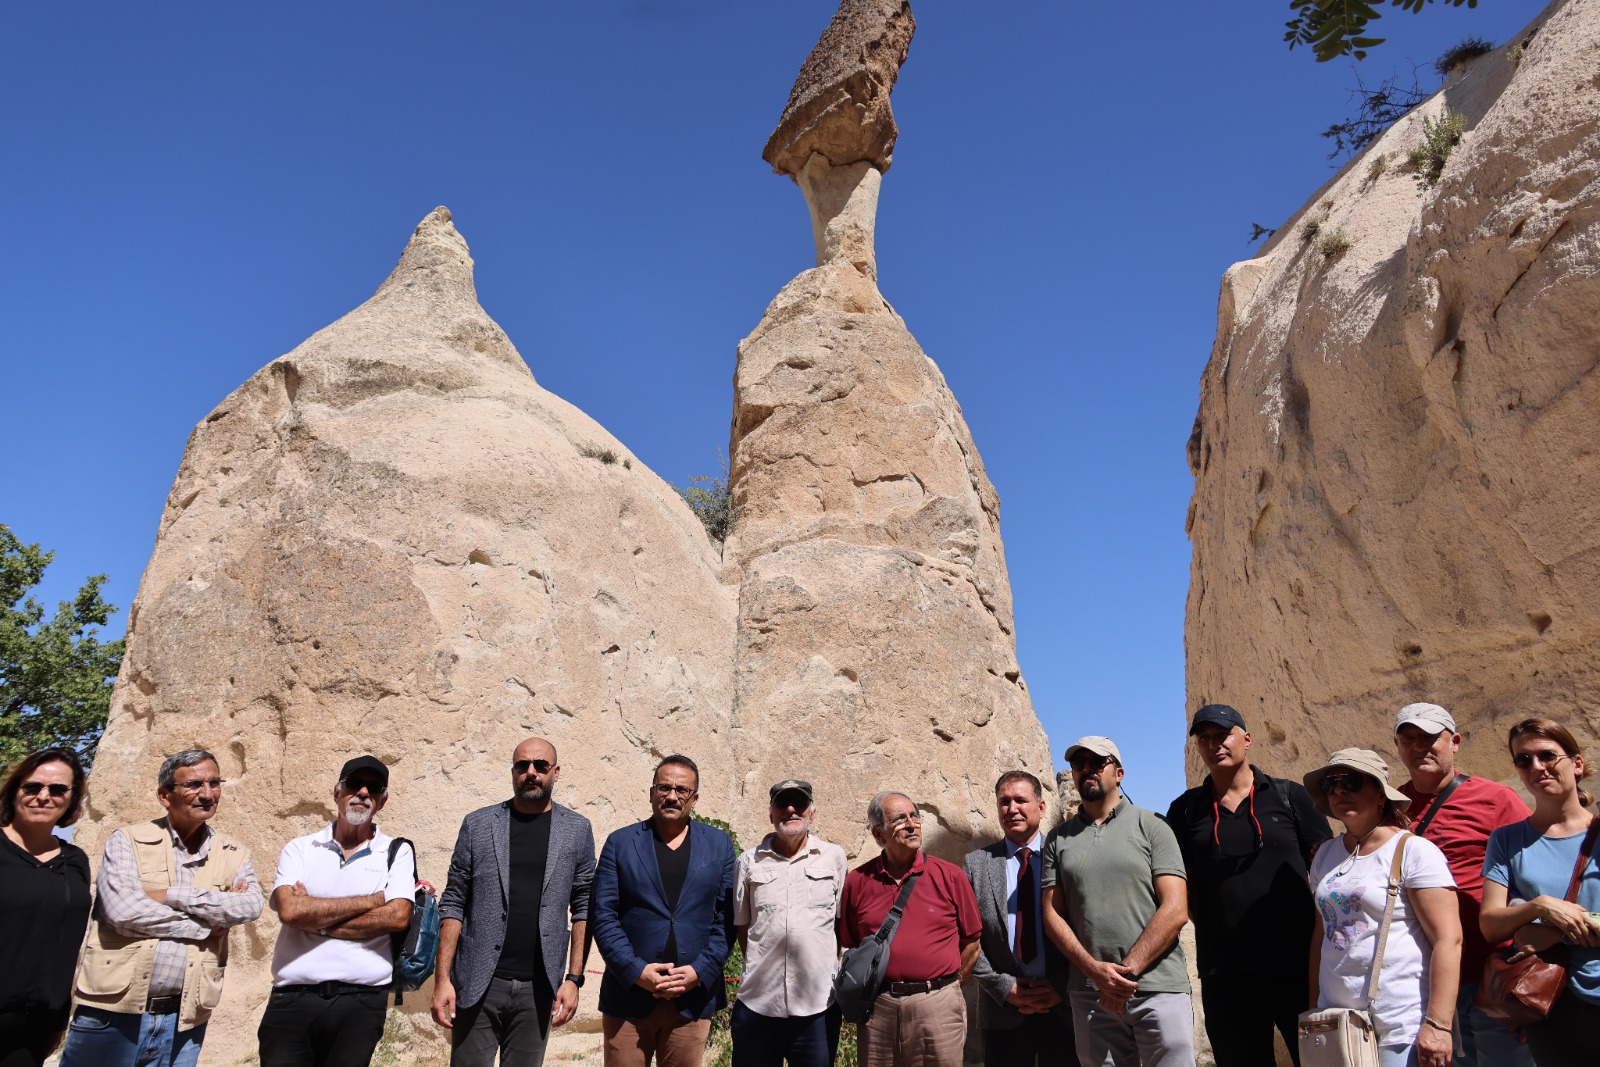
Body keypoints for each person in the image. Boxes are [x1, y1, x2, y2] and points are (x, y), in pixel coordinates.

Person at [61, 748, 263, 1067]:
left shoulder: (233, 852)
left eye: (214, 783)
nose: (207, 794)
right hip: (112, 1015)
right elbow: (123, 912)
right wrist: (204, 926)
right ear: (164, 795)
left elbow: (250, 906)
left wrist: (170, 895)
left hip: (185, 1020)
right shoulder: (127, 841)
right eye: (194, 784)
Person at [1165, 705, 1331, 1067]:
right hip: (1225, 974)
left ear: (1247, 739)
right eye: (1205, 738)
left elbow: (1328, 874)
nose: (1214, 744)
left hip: (1298, 969)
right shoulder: (1186, 810)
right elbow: (1179, 882)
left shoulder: (1290, 796)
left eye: (1223, 734)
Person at [431, 737, 597, 1067]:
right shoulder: (478, 824)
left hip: (539, 988)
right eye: (522, 765)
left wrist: (574, 979)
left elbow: (584, 907)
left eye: (541, 765)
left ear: (556, 772)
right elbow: (453, 902)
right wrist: (442, 979)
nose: (531, 772)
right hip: (478, 982)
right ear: (513, 772)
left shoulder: (577, 830)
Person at [1390, 702, 1531, 1067]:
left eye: (1429, 738)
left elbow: (1533, 877)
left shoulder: (1496, 800)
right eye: (1408, 739)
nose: (1419, 746)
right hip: (1424, 985)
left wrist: (1529, 976)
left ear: (1454, 742)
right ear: (1398, 746)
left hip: (1491, 975)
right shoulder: (1391, 808)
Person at [1043, 736, 1194, 1067]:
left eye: (1098, 763)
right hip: (1090, 993)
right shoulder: (1058, 839)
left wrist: (1124, 975)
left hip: (1158, 987)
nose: (1087, 769)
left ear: (1119, 773)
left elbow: (1176, 909)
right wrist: (1096, 974)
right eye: (1079, 764)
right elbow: (1052, 914)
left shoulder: (1153, 825)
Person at [1304, 749, 1461, 1067]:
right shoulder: (1325, 855)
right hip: (1337, 1022)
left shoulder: (1413, 852)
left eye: (1351, 781)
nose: (1339, 791)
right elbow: (1321, 937)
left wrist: (1439, 1024)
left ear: (1380, 795)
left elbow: (1448, 939)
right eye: (1331, 785)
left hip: (1399, 1023)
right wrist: (1314, 1011)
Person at [259, 755, 417, 1067]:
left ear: (382, 801)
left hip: (361, 1001)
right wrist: (372, 900)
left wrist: (315, 919)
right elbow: (290, 910)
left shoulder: (397, 852)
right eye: (354, 784)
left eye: (374, 788)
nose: (363, 792)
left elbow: (397, 916)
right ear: (337, 793)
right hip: (293, 998)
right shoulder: (300, 848)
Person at [591, 755, 735, 1067]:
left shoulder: (719, 845)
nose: (672, 796)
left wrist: (699, 971)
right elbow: (603, 916)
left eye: (682, 790)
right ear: (651, 792)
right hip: (628, 998)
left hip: (692, 1000)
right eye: (664, 787)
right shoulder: (620, 843)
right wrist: (635, 971)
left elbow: (727, 919)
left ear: (694, 798)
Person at [1479, 718, 1600, 1067]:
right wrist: (1540, 906)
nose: (1536, 766)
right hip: (1554, 1003)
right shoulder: (1507, 840)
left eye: (1547, 755)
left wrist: (1555, 933)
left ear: (1576, 764)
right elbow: (1490, 924)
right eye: (1523, 759)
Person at [838, 790, 981, 1067]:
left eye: (915, 816)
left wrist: (946, 988)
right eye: (900, 819)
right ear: (879, 834)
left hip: (937, 1006)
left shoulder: (950, 876)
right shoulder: (858, 881)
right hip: (878, 1010)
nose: (912, 824)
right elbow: (853, 944)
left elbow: (973, 944)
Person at [731, 779, 848, 1067]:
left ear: (812, 813)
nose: (791, 809)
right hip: (759, 1005)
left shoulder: (833, 858)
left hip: (818, 1007)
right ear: (771, 814)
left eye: (800, 803)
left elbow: (839, 924)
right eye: (783, 803)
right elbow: (743, 927)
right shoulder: (748, 862)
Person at [963, 770, 1075, 1067]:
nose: (1012, 808)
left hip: (1064, 1007)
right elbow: (967, 937)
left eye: (1020, 800)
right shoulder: (976, 865)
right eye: (1004, 801)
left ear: (1041, 807)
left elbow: (1088, 928)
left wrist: (1061, 985)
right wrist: (1002, 987)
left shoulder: (1067, 858)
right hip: (1003, 1012)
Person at [0, 748, 92, 1067]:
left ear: (71, 798)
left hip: (36, 1026)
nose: (43, 796)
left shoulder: (75, 860)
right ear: (15, 790)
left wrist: (59, 1015)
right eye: (32, 787)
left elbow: (67, 940)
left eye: (57, 789)